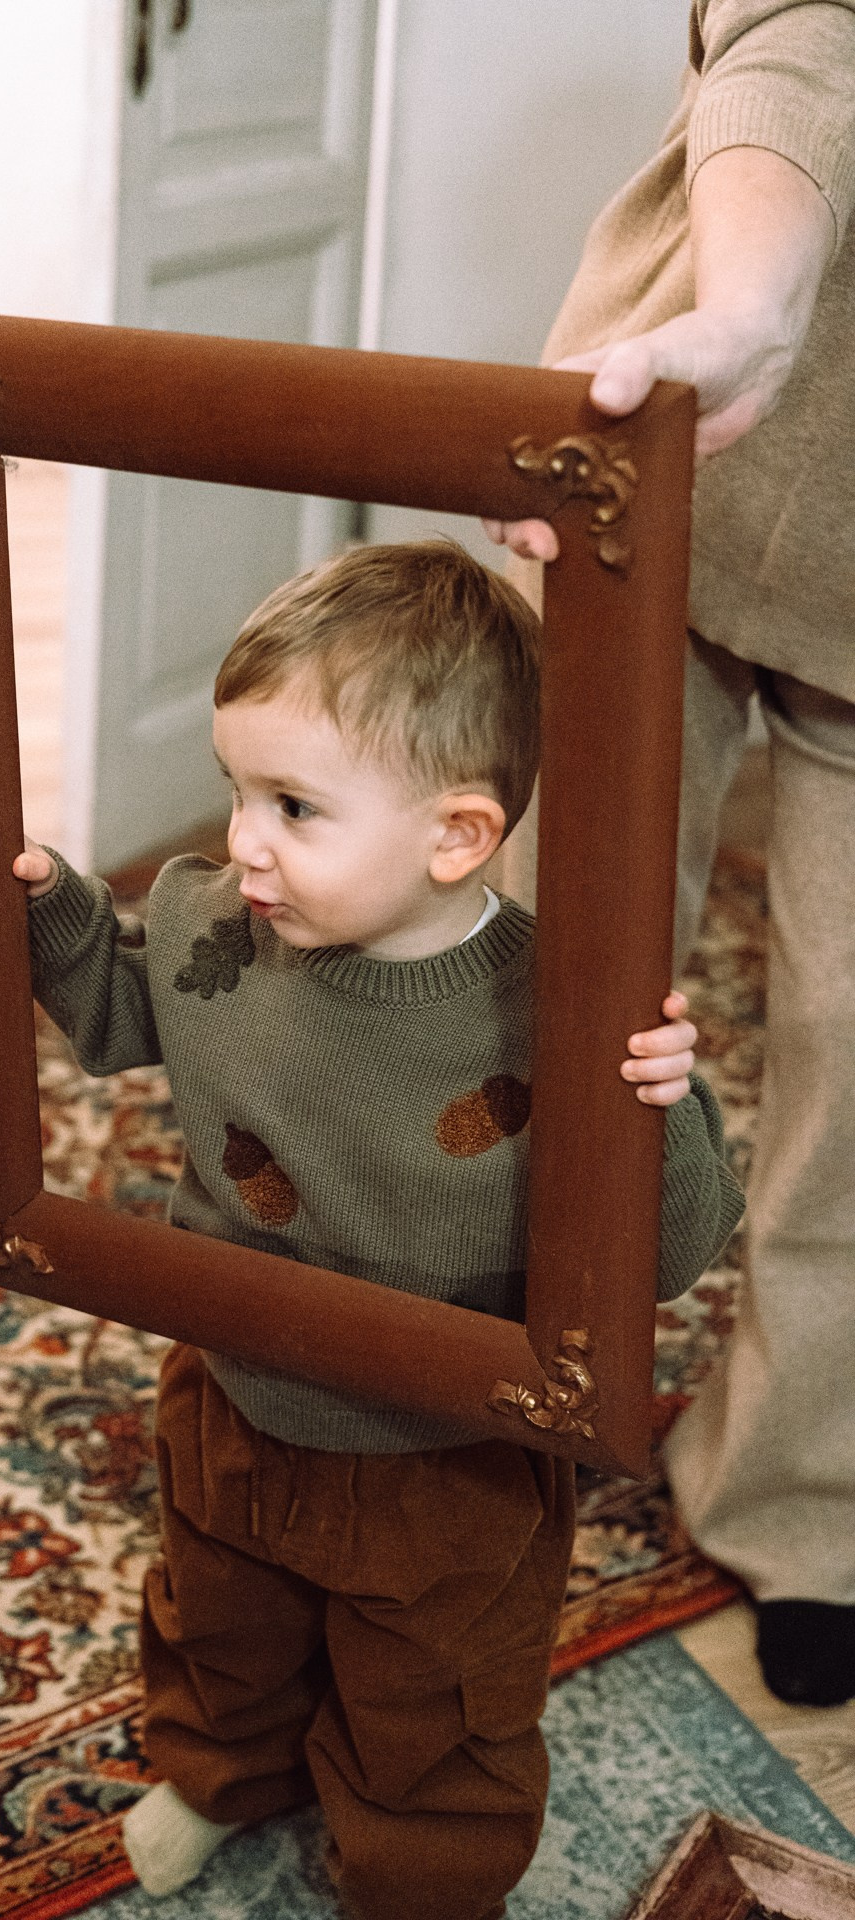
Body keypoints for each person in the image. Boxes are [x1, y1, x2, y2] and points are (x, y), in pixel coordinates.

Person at [0, 541, 743, 1920]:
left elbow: (668, 1256)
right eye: (239, 789)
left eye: (293, 806)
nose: (242, 838)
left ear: (456, 836)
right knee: (218, 1618)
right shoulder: (219, 924)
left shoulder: (560, 1013)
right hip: (237, 1384)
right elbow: (117, 1002)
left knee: (438, 1704)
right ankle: (221, 1771)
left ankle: (420, 1885)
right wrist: (33, 908)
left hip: (445, 1455)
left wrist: (661, 1107)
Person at [484, 0, 855, 1708]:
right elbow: (795, 43)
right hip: (676, 443)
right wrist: (760, 303)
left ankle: (804, 1503)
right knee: (550, 968)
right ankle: (502, 1378)